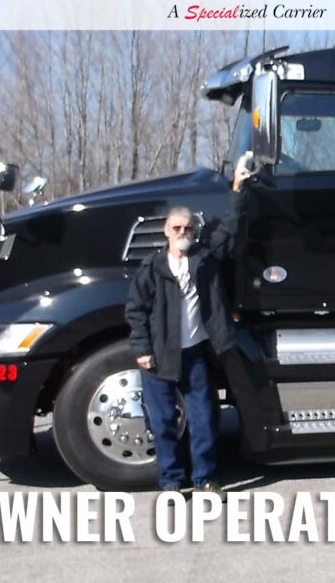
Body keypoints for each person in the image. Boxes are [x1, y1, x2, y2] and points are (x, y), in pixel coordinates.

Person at [125, 160, 252, 493]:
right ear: (166, 231)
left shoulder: (205, 261)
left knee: (203, 420)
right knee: (164, 423)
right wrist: (141, 350)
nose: (182, 234)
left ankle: (204, 480)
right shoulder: (151, 268)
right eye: (176, 228)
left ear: (194, 233)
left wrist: (237, 188)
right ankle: (170, 484)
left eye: (188, 229)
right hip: (158, 359)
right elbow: (135, 310)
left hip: (195, 356)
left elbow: (230, 227)